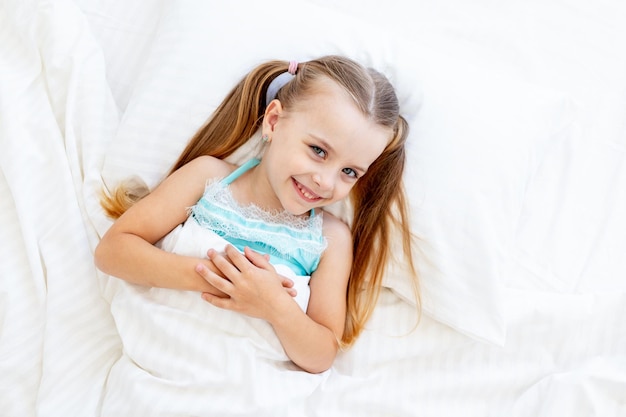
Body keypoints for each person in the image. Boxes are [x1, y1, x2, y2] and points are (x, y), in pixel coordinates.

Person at [94, 55, 418, 374]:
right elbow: (113, 252)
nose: (326, 181)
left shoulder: (329, 238)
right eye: (318, 151)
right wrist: (227, 280)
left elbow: (321, 354)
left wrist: (274, 305)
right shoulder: (209, 179)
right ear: (273, 121)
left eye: (349, 171)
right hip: (163, 357)